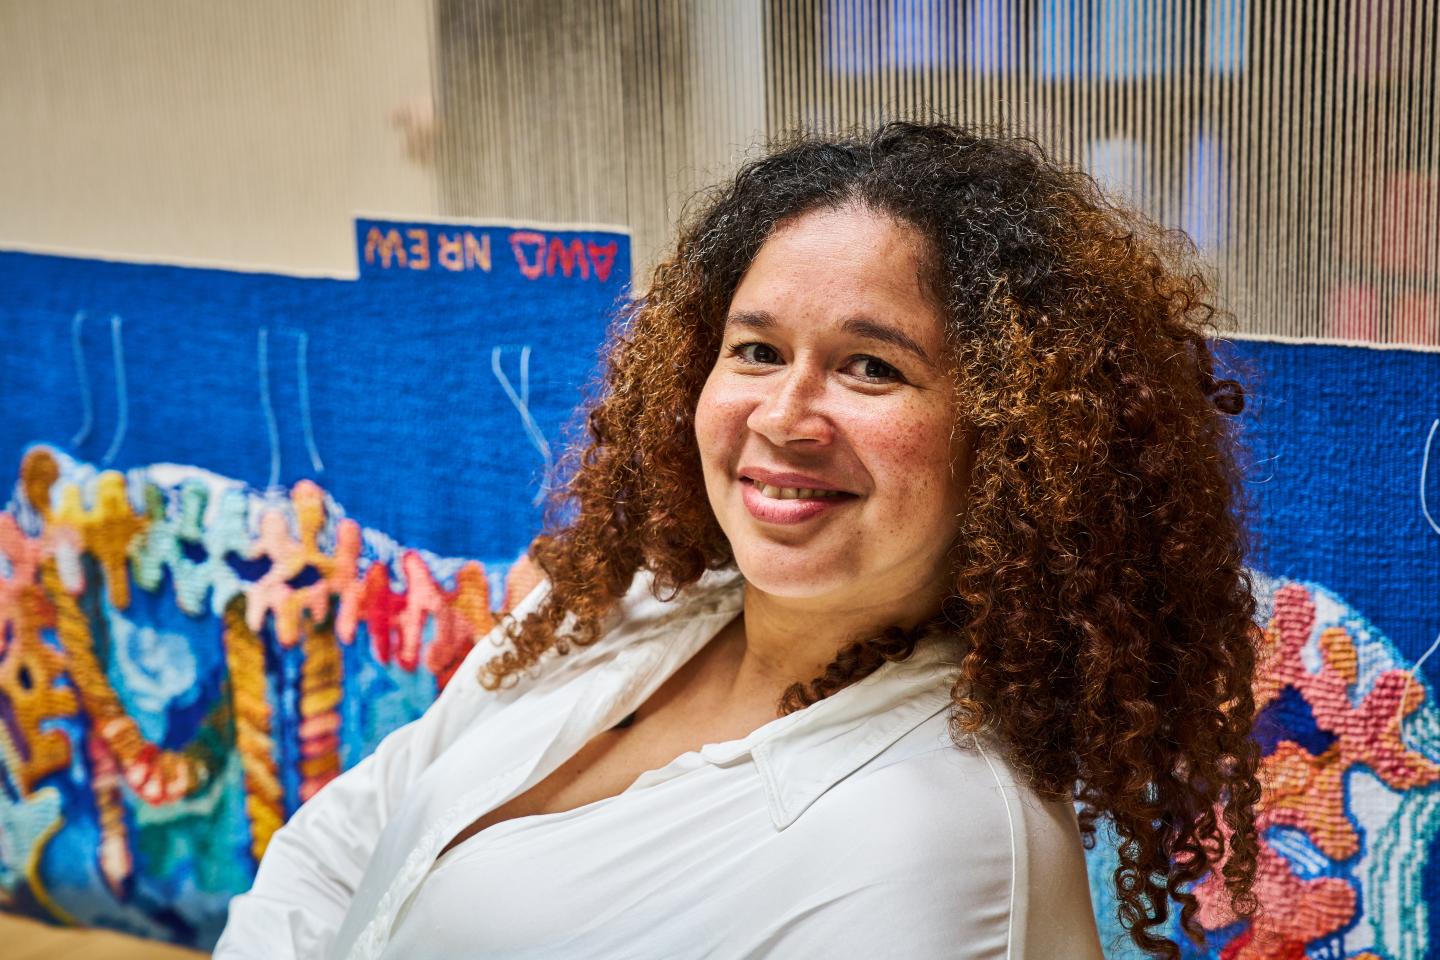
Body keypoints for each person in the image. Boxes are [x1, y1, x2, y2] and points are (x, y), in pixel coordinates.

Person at [214, 120, 1262, 960]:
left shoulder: (935, 854)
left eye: (872, 369)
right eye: (756, 350)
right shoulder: (611, 609)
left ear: (1017, 444)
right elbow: (337, 852)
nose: (784, 416)